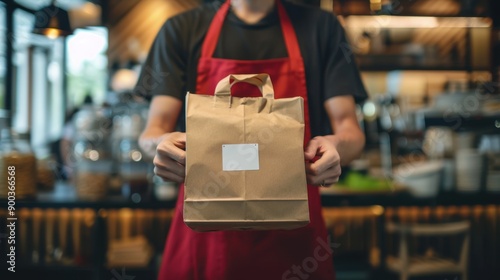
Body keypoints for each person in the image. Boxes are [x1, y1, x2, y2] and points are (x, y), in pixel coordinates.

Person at [136, 0, 367, 279]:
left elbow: (350, 131)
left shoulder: (322, 28)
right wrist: (162, 147)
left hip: (294, 238)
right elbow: (153, 132)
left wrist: (335, 148)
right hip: (204, 236)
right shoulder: (181, 30)